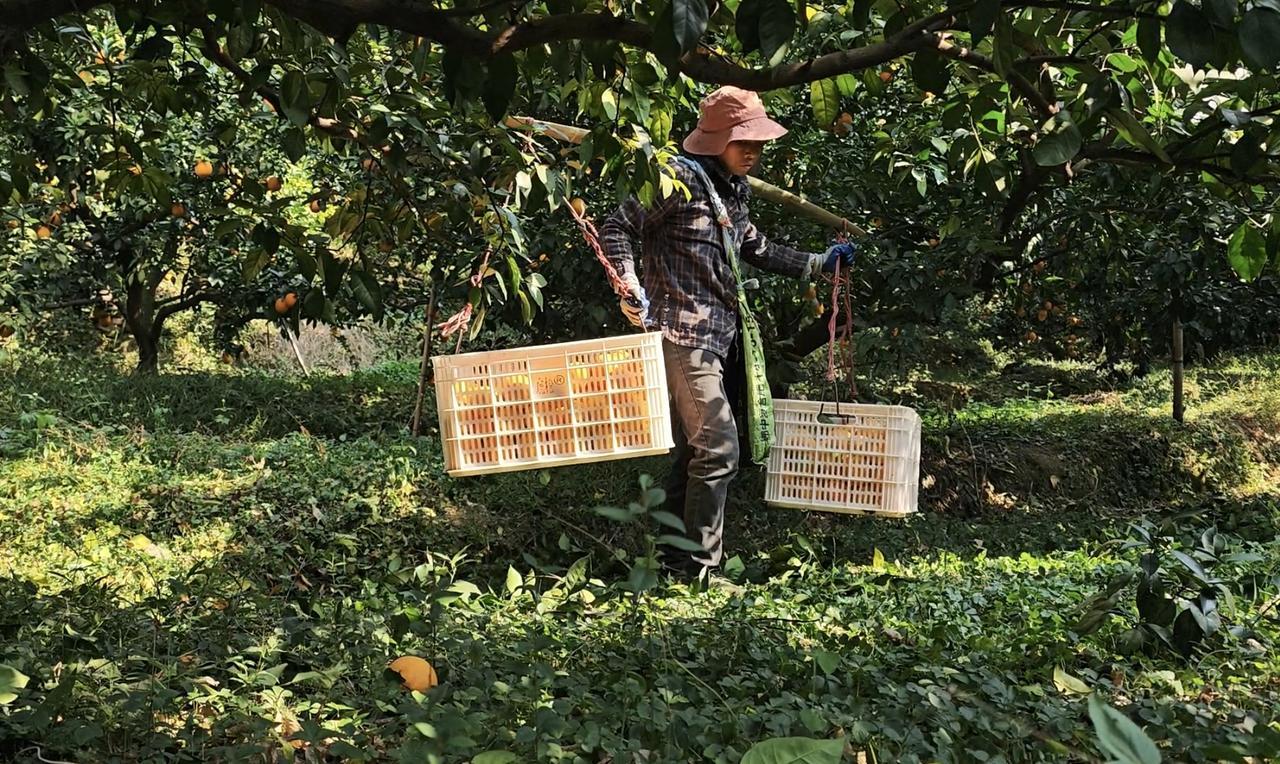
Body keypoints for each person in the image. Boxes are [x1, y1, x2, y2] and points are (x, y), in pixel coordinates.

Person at [600, 86, 855, 578]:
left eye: (758, 141)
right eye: (743, 141)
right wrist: (628, 283)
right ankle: (700, 570)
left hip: (718, 336)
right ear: (714, 139)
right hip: (680, 332)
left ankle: (674, 566)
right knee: (719, 448)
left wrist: (821, 263)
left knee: (694, 454)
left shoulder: (730, 188)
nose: (753, 150)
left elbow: (755, 246)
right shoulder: (674, 178)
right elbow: (617, 227)